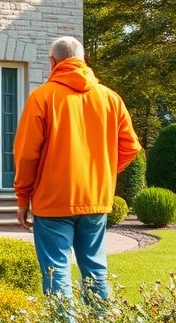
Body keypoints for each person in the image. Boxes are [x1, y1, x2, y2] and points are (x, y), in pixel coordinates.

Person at [13, 36, 140, 304]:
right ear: (83, 60)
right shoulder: (110, 98)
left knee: (55, 270)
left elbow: (26, 155)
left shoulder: (42, 97)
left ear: (52, 62)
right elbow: (130, 147)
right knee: (95, 267)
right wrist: (102, 173)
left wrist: (23, 198)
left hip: (53, 200)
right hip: (95, 199)